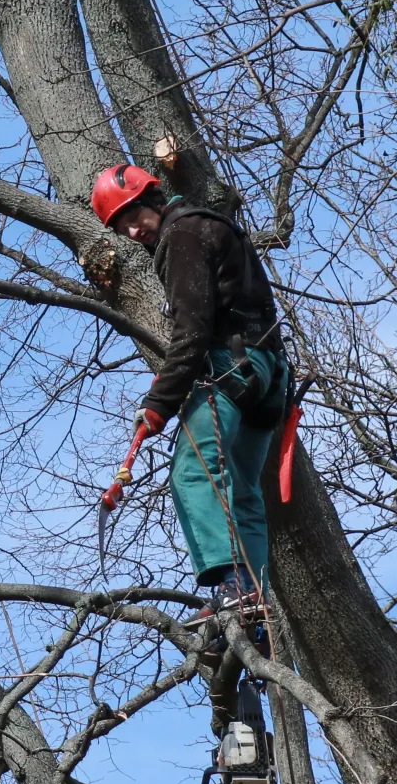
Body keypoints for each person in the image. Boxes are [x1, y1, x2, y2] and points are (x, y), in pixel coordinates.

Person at [89, 164, 290, 611]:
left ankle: (234, 587)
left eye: (134, 217)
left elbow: (192, 332)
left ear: (152, 199)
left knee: (192, 473)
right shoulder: (210, 227)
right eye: (123, 228)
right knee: (241, 492)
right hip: (268, 375)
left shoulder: (182, 235)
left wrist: (159, 402)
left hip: (231, 369)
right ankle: (255, 602)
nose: (133, 231)